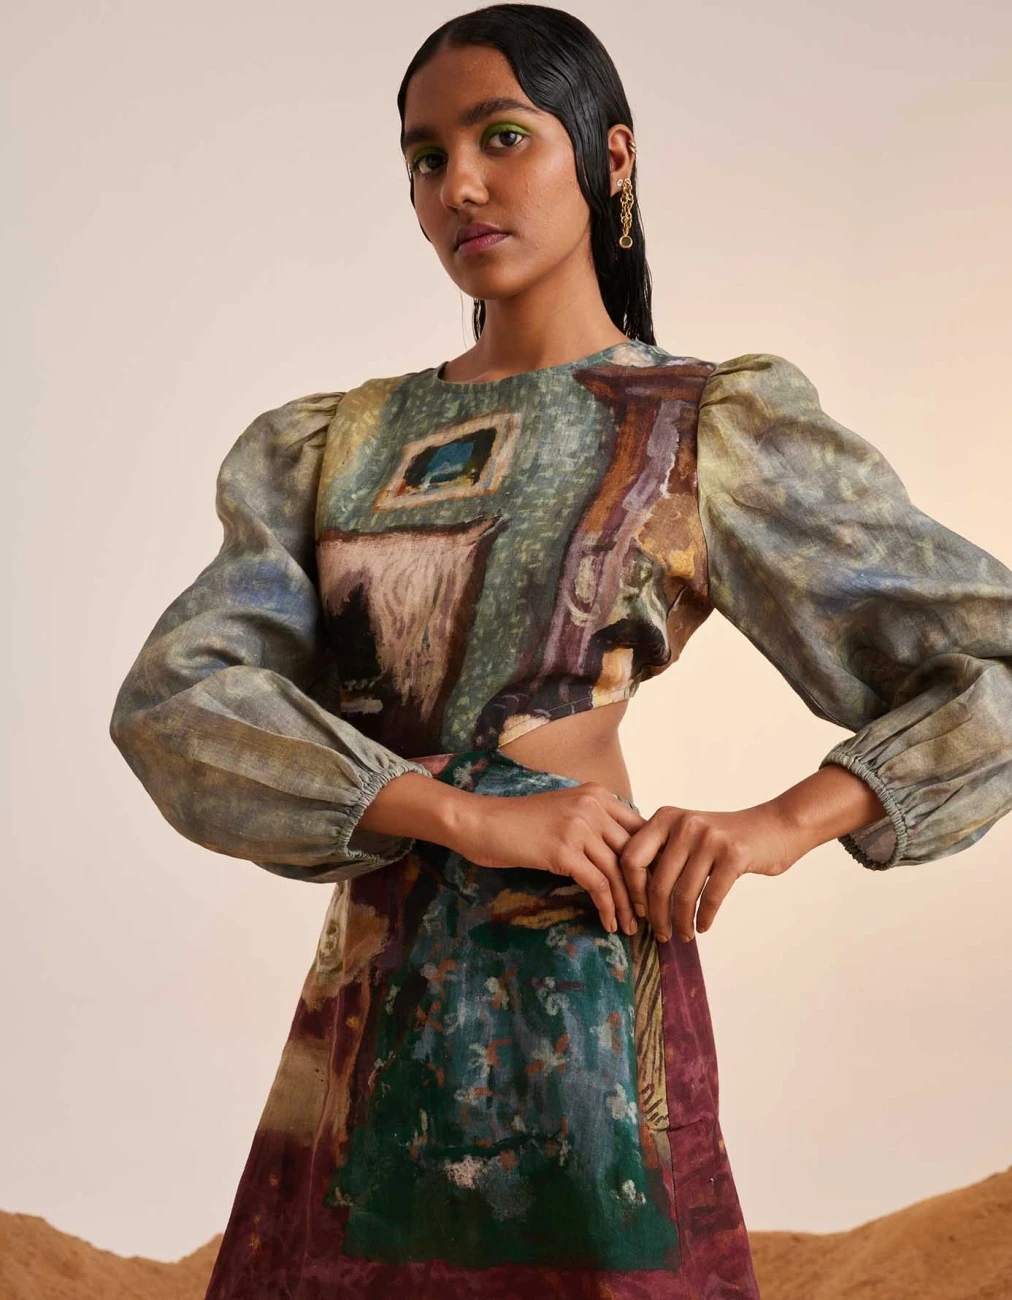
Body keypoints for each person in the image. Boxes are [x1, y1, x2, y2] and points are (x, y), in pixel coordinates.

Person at [108, 5, 1012, 1297]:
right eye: (426, 157)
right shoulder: (333, 446)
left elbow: (988, 659)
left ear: (611, 158)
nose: (460, 186)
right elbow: (175, 700)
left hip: (580, 988)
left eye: (502, 136)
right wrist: (457, 814)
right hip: (370, 986)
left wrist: (778, 826)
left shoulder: (697, 428)